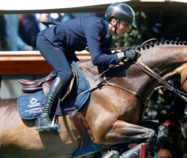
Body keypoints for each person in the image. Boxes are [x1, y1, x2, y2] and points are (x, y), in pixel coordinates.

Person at [34, 2, 139, 132]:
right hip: (49, 41)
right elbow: (96, 59)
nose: (128, 29)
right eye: (126, 25)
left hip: (65, 47)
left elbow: (104, 65)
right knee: (66, 73)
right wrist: (122, 55)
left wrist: (126, 58)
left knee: (82, 77)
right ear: (114, 21)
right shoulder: (96, 27)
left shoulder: (107, 36)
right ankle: (43, 117)